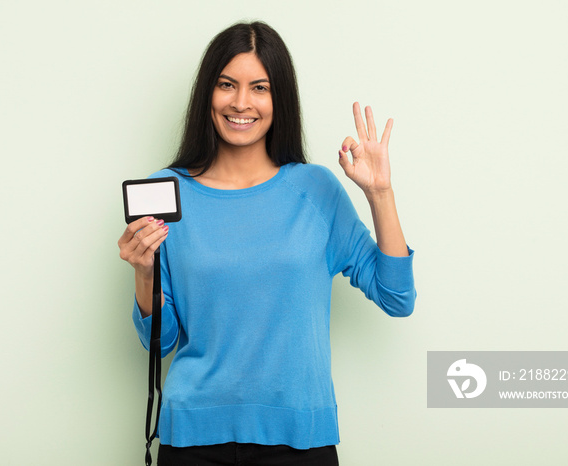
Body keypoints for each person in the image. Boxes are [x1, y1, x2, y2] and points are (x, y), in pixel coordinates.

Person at [117, 21, 416, 466]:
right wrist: (144, 272)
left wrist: (380, 195)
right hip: (195, 437)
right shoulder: (168, 191)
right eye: (226, 85)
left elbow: (397, 297)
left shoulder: (315, 189)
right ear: (208, 94)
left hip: (300, 437)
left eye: (260, 87)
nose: (241, 102)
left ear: (280, 99)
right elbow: (160, 343)